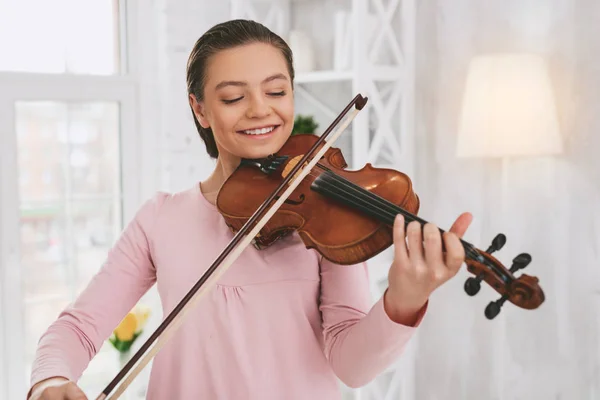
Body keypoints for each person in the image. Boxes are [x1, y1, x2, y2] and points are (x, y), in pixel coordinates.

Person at [28, 19, 472, 400]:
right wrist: (51, 379)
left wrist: (404, 300)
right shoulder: (161, 218)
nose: (261, 110)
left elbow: (351, 366)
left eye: (276, 90)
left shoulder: (323, 215)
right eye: (233, 97)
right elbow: (79, 327)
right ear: (199, 109)